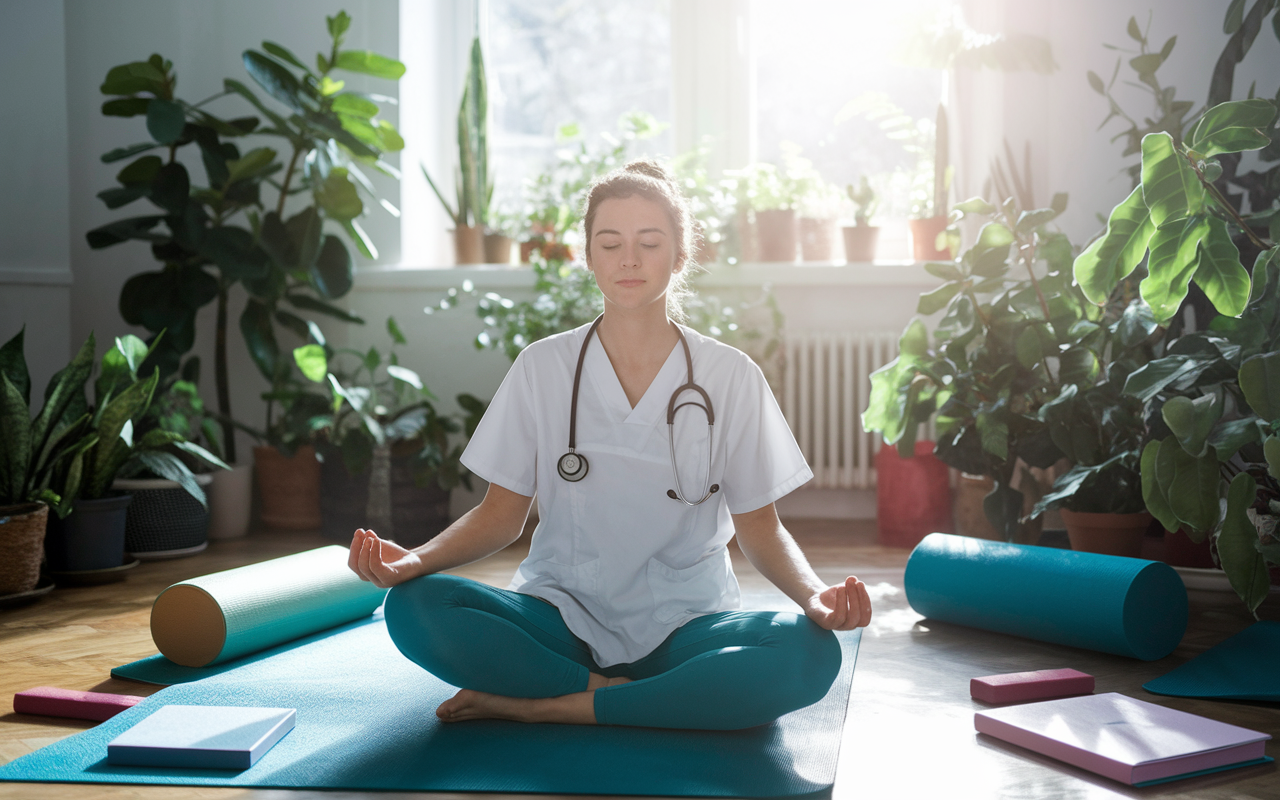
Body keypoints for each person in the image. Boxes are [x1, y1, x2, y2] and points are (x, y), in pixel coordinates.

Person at [348, 160, 872, 730]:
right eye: (611, 243)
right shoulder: (542, 367)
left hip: (686, 623)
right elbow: (502, 516)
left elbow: (760, 527)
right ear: (589, 256)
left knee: (810, 654)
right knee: (415, 608)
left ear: (680, 254)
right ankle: (633, 697)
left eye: (650, 242)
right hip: (562, 617)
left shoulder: (730, 376)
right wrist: (416, 561)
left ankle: (556, 703)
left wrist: (815, 596)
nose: (629, 259)